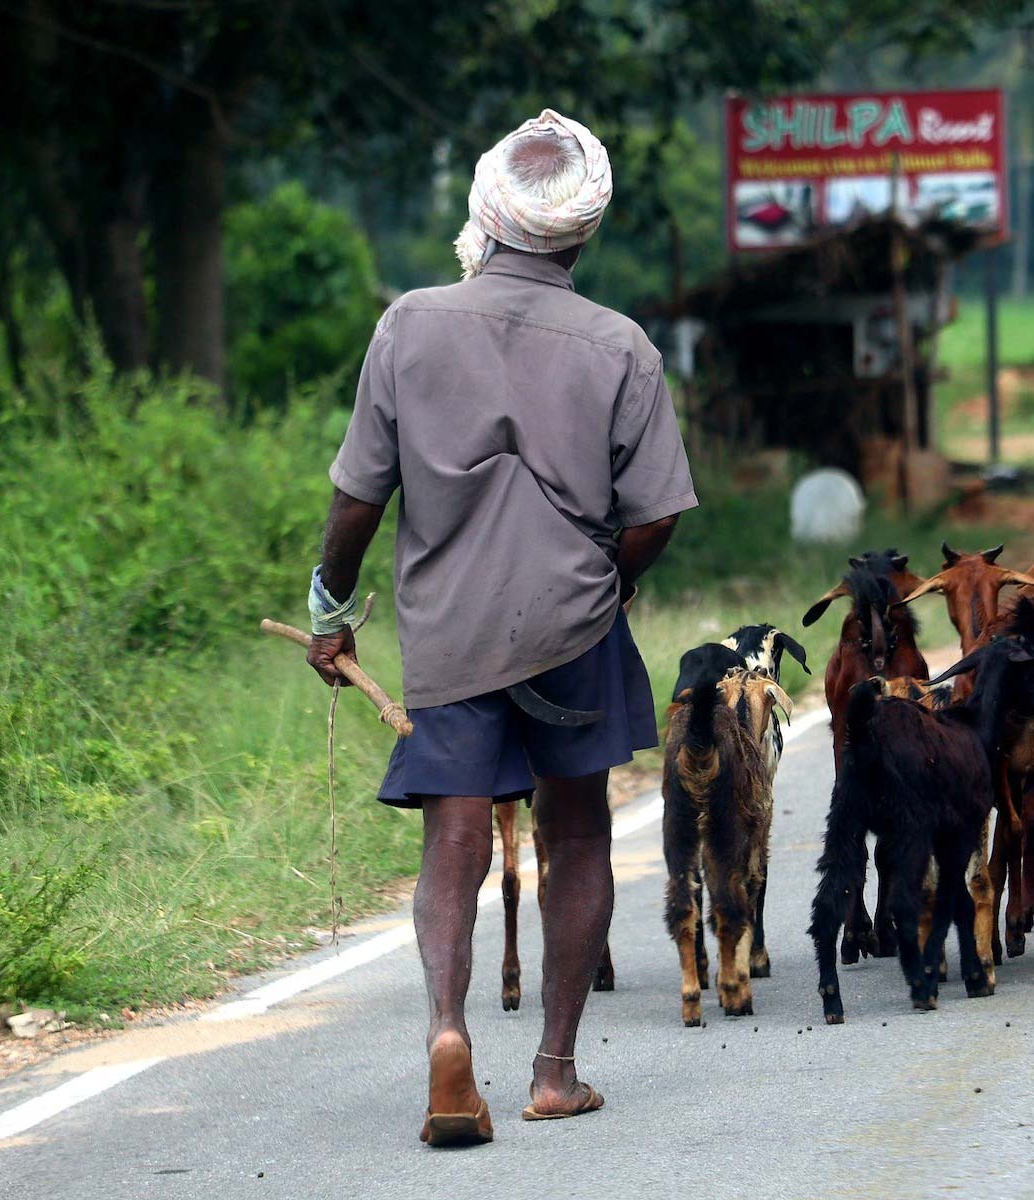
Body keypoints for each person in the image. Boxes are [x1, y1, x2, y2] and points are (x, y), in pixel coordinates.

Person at [305, 110, 695, 1147]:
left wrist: (330, 607)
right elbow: (656, 513)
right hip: (575, 623)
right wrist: (604, 587)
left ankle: (446, 1036)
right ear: (582, 234)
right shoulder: (622, 346)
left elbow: (357, 500)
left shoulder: (411, 323)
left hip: (449, 631)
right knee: (576, 834)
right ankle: (556, 1073)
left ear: (486, 214)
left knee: (455, 834)